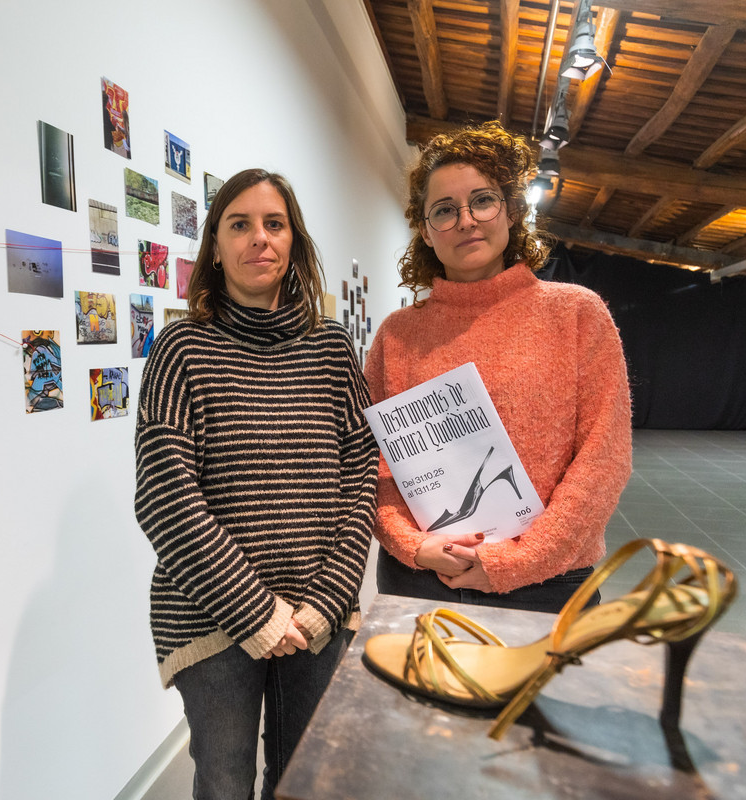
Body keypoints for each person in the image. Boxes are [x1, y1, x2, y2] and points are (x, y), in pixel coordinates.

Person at [134, 168, 378, 799]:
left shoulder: (331, 348)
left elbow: (360, 477)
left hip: (317, 613)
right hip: (210, 615)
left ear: (294, 240)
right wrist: (255, 613)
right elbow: (164, 496)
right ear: (215, 246)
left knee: (306, 781)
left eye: (275, 224)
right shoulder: (182, 348)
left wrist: (327, 600)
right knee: (224, 783)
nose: (259, 238)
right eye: (239, 224)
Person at [365, 121, 632, 614]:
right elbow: (372, 465)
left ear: (510, 211)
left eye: (482, 201)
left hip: (547, 585)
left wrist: (518, 560)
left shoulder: (576, 314)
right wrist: (412, 545)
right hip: (420, 580)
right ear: (425, 230)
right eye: (444, 210)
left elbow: (604, 459)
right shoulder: (397, 336)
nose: (466, 220)